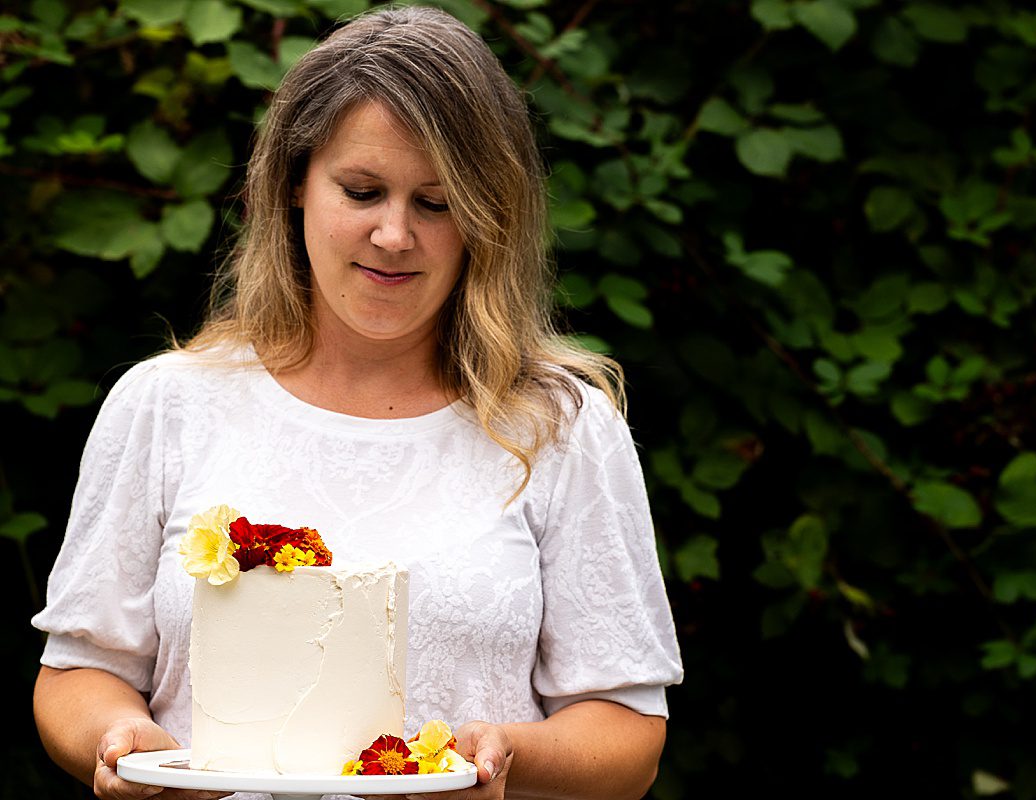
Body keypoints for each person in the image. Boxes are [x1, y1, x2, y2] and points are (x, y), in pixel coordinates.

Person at [30, 6, 683, 800]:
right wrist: (115, 738)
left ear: (489, 216)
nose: (395, 234)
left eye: (438, 203)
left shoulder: (560, 428)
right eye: (363, 190)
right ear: (295, 184)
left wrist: (506, 752)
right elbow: (81, 671)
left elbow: (626, 732)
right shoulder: (167, 405)